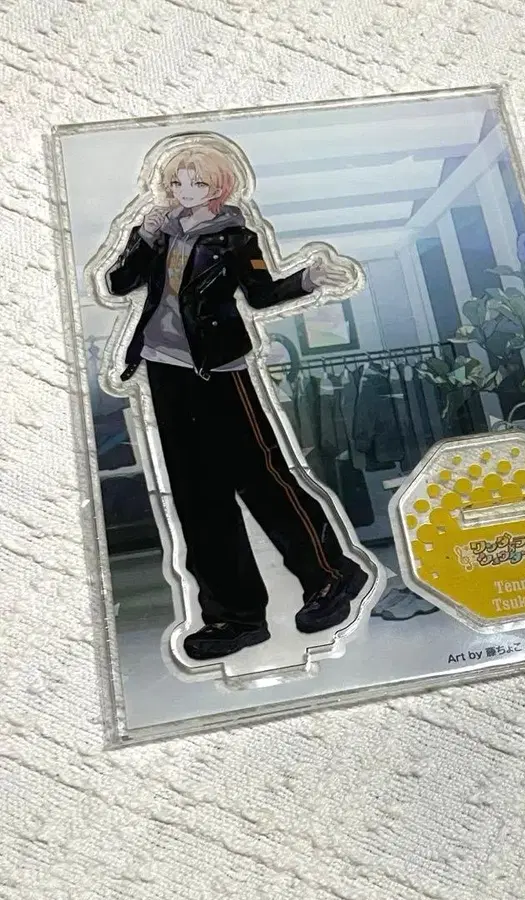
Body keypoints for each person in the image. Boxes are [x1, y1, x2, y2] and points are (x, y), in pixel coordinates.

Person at [104, 139, 368, 661]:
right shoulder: (160, 232)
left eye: (197, 181)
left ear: (220, 186)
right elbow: (118, 284)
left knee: (262, 477)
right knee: (196, 496)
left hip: (220, 371)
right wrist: (142, 235)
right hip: (164, 371)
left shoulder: (235, 236)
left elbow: (261, 293)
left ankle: (331, 575)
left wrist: (309, 279)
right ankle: (234, 615)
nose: (185, 190)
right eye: (177, 181)